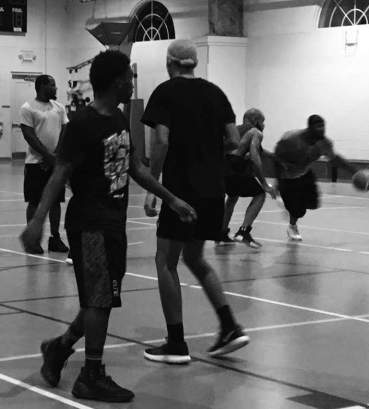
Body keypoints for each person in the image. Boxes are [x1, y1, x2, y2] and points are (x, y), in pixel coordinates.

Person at [20, 50, 196, 403]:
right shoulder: (81, 125)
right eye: (129, 78)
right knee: (99, 299)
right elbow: (60, 174)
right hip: (90, 224)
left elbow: (136, 169)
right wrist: (38, 221)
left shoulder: (118, 118)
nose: (132, 83)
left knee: (102, 298)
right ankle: (91, 375)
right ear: (117, 81)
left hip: (114, 223)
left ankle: (59, 348)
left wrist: (171, 198)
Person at [142, 39, 250, 364]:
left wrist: (153, 186)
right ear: (194, 64)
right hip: (213, 191)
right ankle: (230, 326)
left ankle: (176, 343)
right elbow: (234, 140)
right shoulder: (215, 93)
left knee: (165, 260)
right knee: (195, 258)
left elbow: (161, 140)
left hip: (181, 190)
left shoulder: (165, 92)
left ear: (169, 63)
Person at [274, 114, 358, 241]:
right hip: (287, 178)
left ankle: (293, 209)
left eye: (323, 126)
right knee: (298, 211)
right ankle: (292, 225)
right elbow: (276, 157)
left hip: (305, 173)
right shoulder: (291, 139)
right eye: (318, 126)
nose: (322, 129)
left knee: (313, 204)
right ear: (309, 128)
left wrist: (354, 171)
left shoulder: (324, 143)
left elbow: (334, 159)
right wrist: (278, 181)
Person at [20, 75, 69, 255]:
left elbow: (65, 131)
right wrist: (47, 156)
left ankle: (55, 238)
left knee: (56, 202)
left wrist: (56, 156)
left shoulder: (59, 108)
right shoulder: (27, 108)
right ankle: (33, 241)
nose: (56, 88)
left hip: (55, 162)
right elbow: (28, 135)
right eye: (52, 85)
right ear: (41, 86)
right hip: (35, 164)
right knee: (34, 202)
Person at [217, 108, 276, 247]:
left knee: (232, 196)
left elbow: (257, 150)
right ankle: (243, 231)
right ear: (256, 121)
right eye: (263, 121)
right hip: (235, 165)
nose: (264, 125)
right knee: (260, 194)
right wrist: (265, 184)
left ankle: (221, 233)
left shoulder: (234, 130)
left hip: (221, 167)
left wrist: (274, 156)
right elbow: (255, 157)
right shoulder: (256, 132)